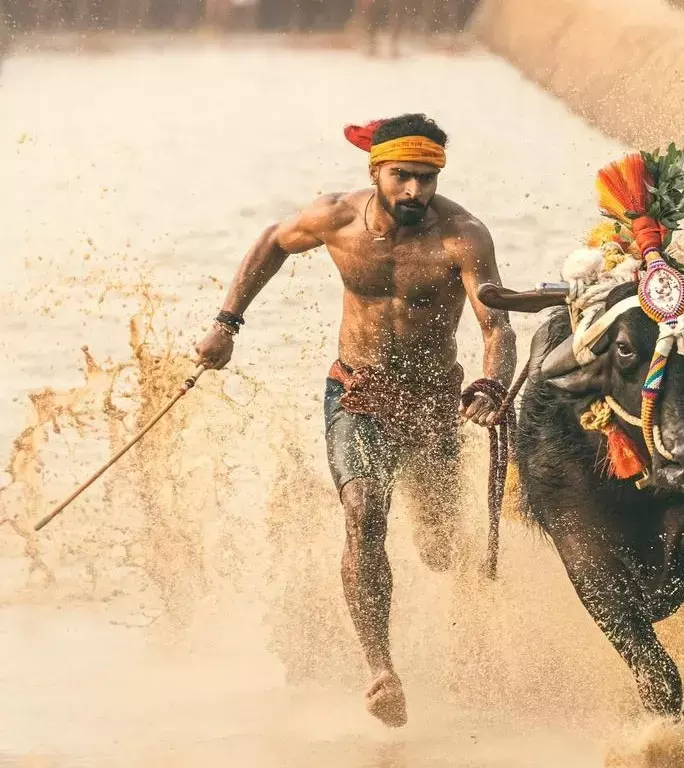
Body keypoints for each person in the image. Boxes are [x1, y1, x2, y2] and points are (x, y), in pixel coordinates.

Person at [195, 113, 517, 727]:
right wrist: (226, 324)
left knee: (439, 547)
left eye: (427, 179)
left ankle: (468, 640)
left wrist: (491, 384)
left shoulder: (463, 236)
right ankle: (381, 670)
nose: (415, 191)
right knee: (364, 511)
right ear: (376, 171)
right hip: (357, 393)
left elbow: (496, 325)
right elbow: (271, 241)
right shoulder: (335, 217)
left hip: (432, 403)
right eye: (402, 177)